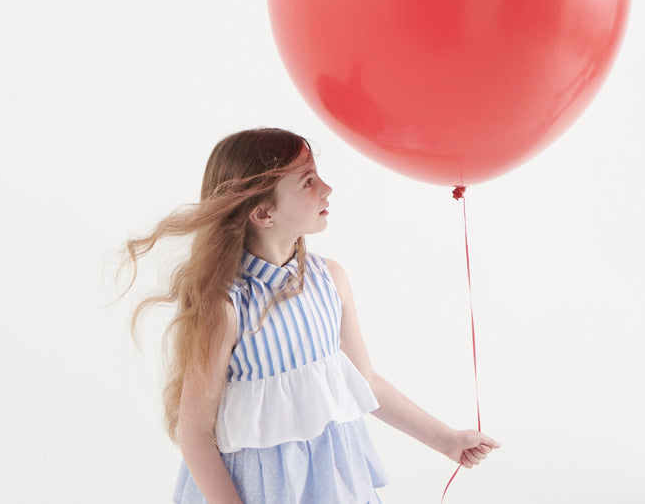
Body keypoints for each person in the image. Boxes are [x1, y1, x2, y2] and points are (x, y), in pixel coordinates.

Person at [118, 128, 500, 503]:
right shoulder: (227, 307)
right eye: (307, 182)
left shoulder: (330, 280)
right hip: (258, 491)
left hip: (332, 484)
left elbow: (365, 382)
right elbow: (196, 434)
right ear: (264, 213)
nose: (327, 189)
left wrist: (447, 440)